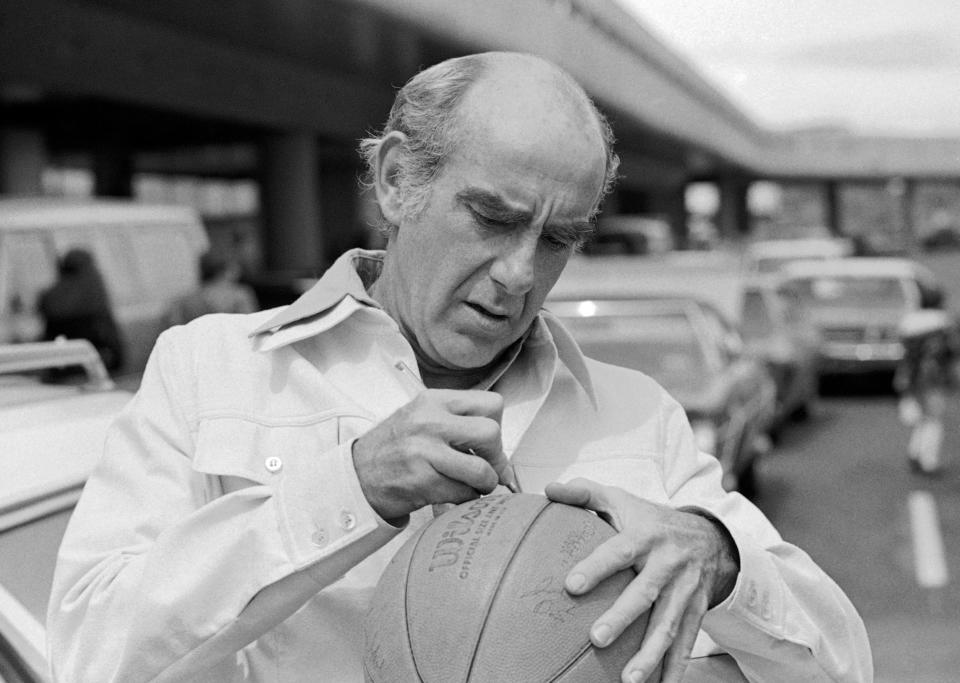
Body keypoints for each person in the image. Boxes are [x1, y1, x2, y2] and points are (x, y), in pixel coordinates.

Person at [48, 52, 872, 682]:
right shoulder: (210, 369)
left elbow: (841, 658)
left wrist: (718, 556)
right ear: (399, 178)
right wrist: (349, 489)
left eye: (557, 239)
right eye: (491, 217)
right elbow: (86, 650)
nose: (520, 273)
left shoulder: (636, 415)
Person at [895, 308, 959, 474]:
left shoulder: (913, 345)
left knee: (924, 421)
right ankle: (928, 461)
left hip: (920, 387)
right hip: (929, 387)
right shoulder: (935, 345)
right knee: (933, 422)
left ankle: (916, 454)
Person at [38, 247, 124, 372]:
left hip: (60, 367)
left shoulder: (49, 297)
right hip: (97, 365)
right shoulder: (94, 292)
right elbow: (110, 338)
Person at [166, 251, 258, 326]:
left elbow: (174, 324)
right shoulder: (240, 295)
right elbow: (249, 326)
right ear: (228, 270)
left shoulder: (187, 298)